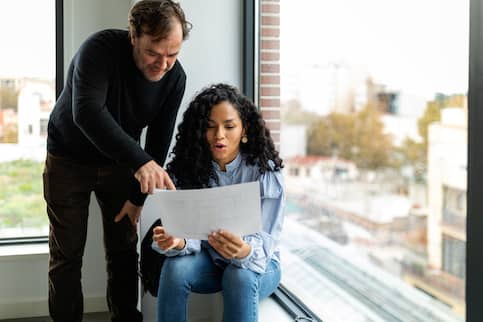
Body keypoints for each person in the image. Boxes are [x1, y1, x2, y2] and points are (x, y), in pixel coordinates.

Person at [42, 1, 191, 321]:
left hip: (120, 164)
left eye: (173, 54)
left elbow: (159, 139)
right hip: (68, 158)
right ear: (133, 36)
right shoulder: (98, 50)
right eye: (154, 52)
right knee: (67, 255)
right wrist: (140, 162)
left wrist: (138, 198)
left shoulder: (175, 77)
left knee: (124, 250)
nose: (163, 64)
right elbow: (87, 112)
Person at [152, 83, 285, 322]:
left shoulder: (266, 171)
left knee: (239, 276)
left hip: (259, 265)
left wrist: (243, 250)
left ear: (244, 130)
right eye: (210, 127)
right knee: (175, 269)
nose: (219, 135)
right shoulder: (188, 169)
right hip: (210, 261)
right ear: (200, 132)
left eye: (229, 126)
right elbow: (190, 232)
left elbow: (267, 240)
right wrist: (179, 240)